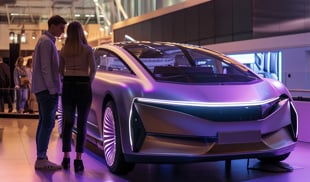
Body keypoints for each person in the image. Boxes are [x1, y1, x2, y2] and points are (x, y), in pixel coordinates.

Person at [59, 21, 96, 172]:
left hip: (68, 85)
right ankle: (78, 160)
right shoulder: (87, 49)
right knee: (82, 123)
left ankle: (66, 157)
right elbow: (93, 70)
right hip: (83, 86)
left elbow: (60, 71)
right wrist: (87, 82)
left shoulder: (63, 50)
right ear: (81, 32)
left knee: (67, 122)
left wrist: (67, 79)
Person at [32, 15, 67, 170]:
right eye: (61, 28)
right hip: (47, 91)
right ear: (52, 26)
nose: (62, 31)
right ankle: (41, 158)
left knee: (43, 123)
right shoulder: (46, 42)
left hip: (43, 89)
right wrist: (53, 90)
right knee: (47, 124)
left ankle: (41, 156)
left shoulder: (45, 41)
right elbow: (46, 69)